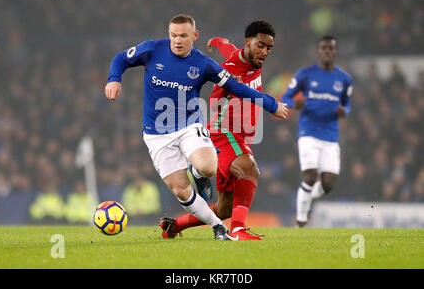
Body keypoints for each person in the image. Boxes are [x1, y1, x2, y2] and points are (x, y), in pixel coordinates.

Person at [105, 14, 287, 240]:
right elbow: (121, 58)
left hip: (190, 125)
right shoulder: (152, 50)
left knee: (209, 167)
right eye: (173, 35)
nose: (177, 40)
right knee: (182, 191)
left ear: (194, 36)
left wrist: (271, 105)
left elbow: (236, 87)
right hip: (156, 134)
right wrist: (114, 78)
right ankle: (217, 226)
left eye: (183, 35)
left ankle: (199, 173)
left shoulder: (203, 64)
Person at [160, 20, 285, 240]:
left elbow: (230, 50)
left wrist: (219, 42)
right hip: (224, 130)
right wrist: (270, 104)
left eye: (269, 48)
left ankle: (173, 226)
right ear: (248, 42)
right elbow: (230, 94)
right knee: (250, 169)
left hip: (236, 133)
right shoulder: (230, 71)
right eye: (261, 45)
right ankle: (238, 230)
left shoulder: (249, 57)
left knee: (224, 209)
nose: (264, 52)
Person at [281, 35, 353, 227]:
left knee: (328, 184)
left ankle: (305, 196)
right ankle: (301, 220)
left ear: (336, 52)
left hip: (330, 136)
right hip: (308, 133)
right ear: (319, 51)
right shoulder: (304, 75)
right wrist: (296, 103)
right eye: (324, 48)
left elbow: (348, 106)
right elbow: (285, 98)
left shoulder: (344, 79)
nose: (327, 51)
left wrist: (343, 111)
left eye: (331, 48)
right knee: (310, 176)